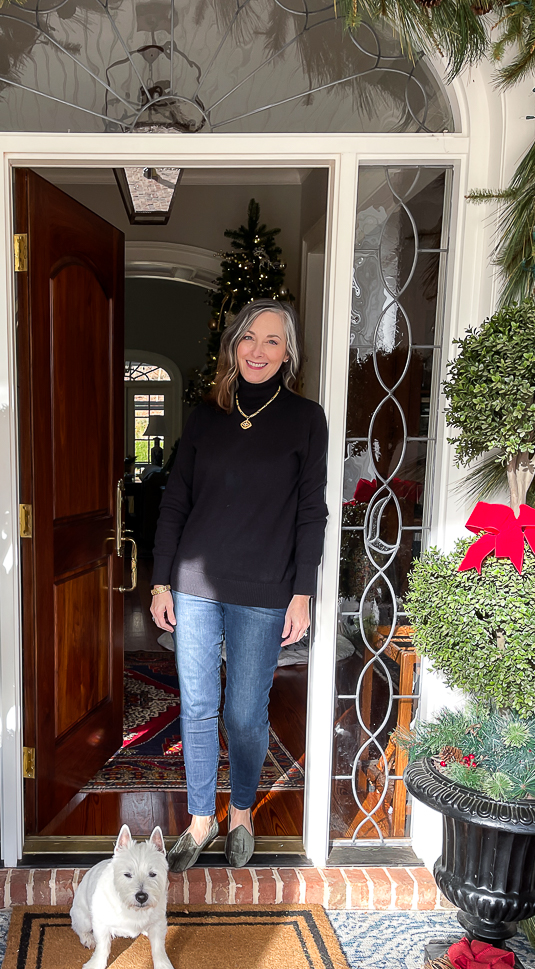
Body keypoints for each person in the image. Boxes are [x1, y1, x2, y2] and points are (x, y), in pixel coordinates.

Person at [150, 299, 328, 871]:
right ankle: (202, 819)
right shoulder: (206, 418)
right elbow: (175, 502)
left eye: (272, 341)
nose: (257, 350)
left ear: (288, 353)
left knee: (246, 714)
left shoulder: (306, 419)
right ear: (233, 346)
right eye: (249, 338)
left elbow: (310, 512)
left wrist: (302, 592)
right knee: (199, 706)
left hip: (265, 589)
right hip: (195, 585)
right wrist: (159, 584)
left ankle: (244, 811)